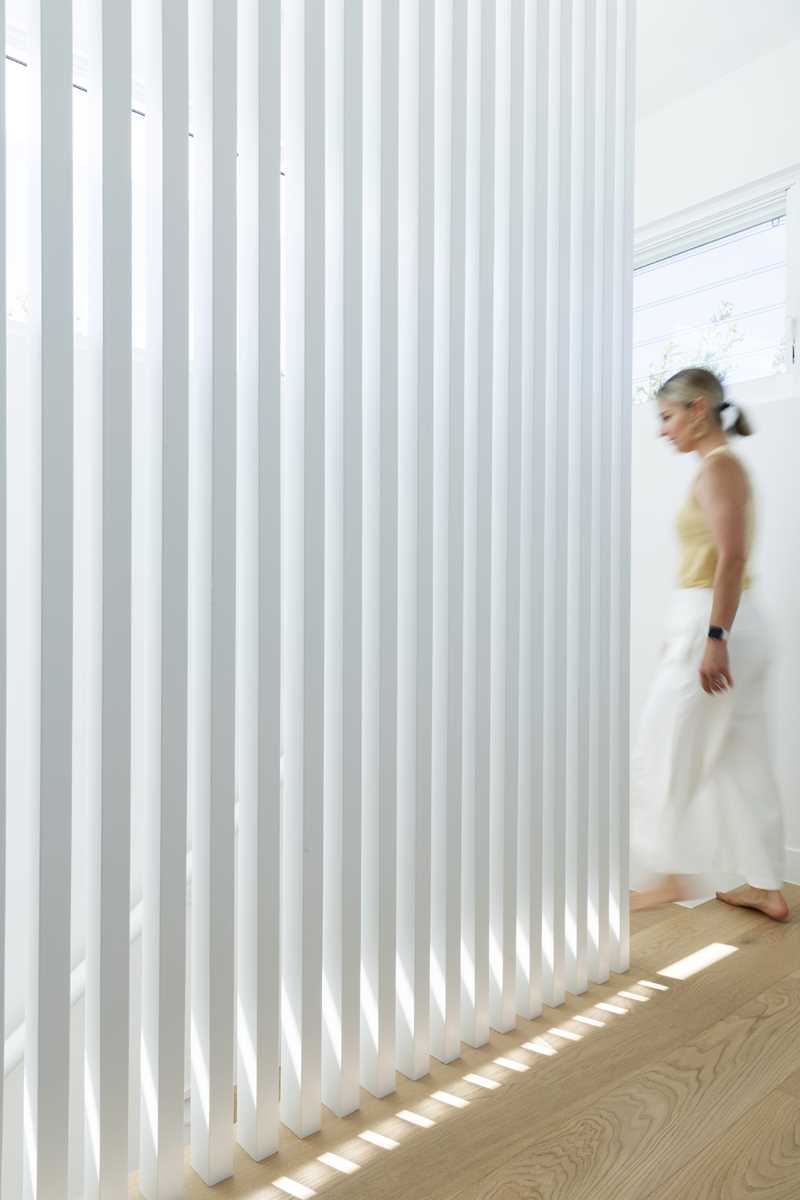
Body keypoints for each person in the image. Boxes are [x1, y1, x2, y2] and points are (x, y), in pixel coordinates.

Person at [630, 367, 789, 921]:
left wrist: (712, 637)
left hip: (719, 624)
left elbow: (732, 557)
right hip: (723, 624)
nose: (661, 431)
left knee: (662, 745)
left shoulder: (720, 470)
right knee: (742, 760)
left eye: (667, 418)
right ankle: (766, 886)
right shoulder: (720, 469)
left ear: (698, 410)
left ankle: (668, 877)